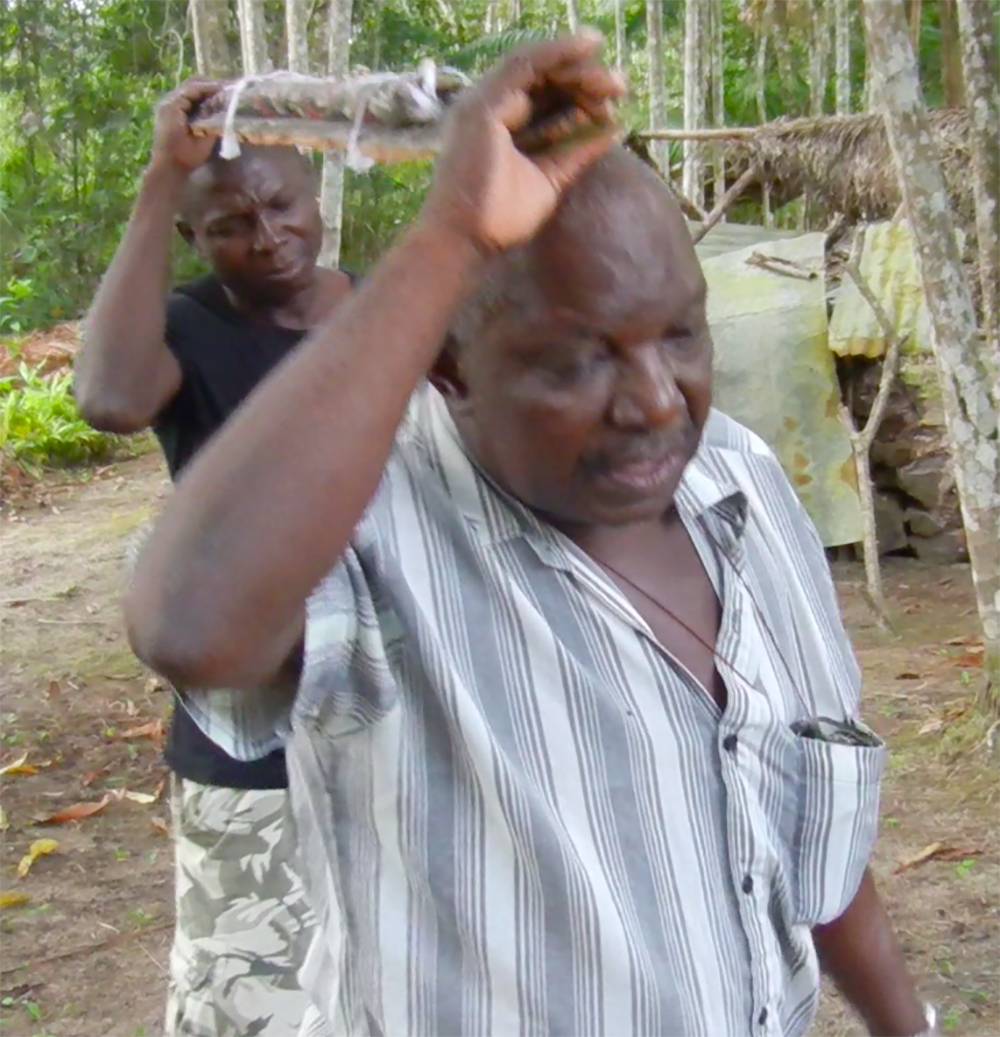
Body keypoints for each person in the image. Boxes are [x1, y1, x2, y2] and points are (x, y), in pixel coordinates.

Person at [123, 33, 937, 1037]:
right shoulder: (374, 526)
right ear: (449, 369)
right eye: (576, 359)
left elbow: (812, 828)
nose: (652, 402)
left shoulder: (743, 481)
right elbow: (190, 626)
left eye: (679, 334)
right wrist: (450, 237)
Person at [74, 79, 353, 1037]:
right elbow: (110, 398)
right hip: (257, 733)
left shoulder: (389, 312)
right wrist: (163, 179)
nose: (268, 233)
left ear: (318, 197)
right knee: (256, 1003)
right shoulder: (189, 330)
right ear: (195, 240)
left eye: (282, 205)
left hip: (404, 710)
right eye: (231, 222)